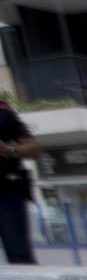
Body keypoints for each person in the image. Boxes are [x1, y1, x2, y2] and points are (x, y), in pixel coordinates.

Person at [0, 98, 39, 266]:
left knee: (19, 255)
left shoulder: (3, 114)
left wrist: (9, 150)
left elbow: (33, 149)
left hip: (6, 191)